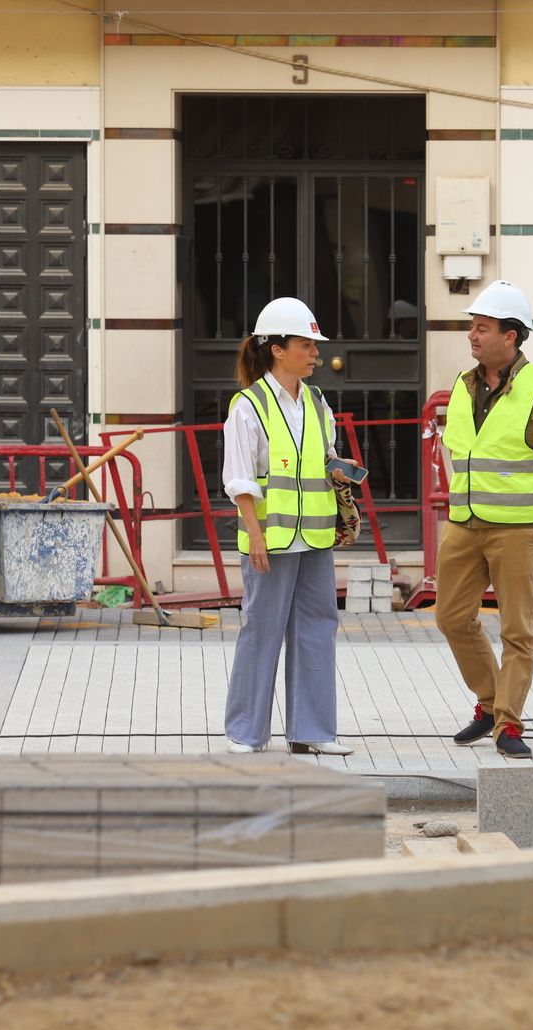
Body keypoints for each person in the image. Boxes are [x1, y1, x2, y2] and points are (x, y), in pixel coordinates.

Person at [435, 280, 533, 759]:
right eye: (471, 328)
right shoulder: (463, 386)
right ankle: (489, 703)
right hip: (465, 524)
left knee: (517, 631)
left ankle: (509, 723)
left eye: (482, 328)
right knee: (451, 618)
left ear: (511, 335)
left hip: (518, 529)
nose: (472, 336)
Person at [220, 297, 354, 756]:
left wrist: (339, 470)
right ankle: (245, 732)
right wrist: (254, 533)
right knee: (261, 629)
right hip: (270, 539)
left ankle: (312, 732)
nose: (316, 353)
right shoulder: (248, 406)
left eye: (315, 346)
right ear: (277, 349)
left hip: (315, 536)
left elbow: (318, 460)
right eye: (306, 344)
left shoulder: (318, 403)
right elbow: (239, 477)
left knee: (318, 626)